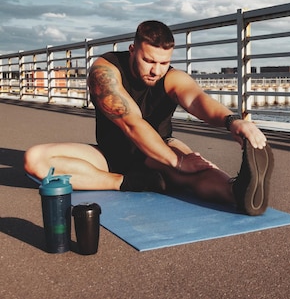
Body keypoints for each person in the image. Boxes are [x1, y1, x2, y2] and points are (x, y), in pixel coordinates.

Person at [24, 20, 274, 216]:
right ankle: (125, 182)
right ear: (133, 50)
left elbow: (198, 101)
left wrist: (232, 121)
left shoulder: (171, 77)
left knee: (194, 172)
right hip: (110, 155)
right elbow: (132, 124)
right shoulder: (105, 70)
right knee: (35, 159)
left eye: (164, 63)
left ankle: (237, 191)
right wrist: (176, 163)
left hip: (160, 149)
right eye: (149, 60)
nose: (156, 70)